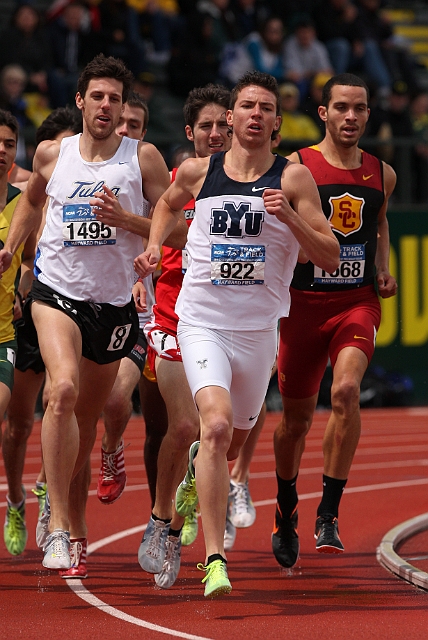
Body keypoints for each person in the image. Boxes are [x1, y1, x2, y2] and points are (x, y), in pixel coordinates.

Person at [135, 70, 339, 597]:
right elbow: (164, 204)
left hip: (258, 333)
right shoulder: (201, 171)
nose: (255, 114)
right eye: (246, 105)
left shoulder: (292, 179)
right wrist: (156, 248)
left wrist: (291, 219)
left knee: (228, 447)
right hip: (202, 322)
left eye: (265, 108)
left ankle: (191, 479)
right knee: (216, 427)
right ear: (231, 117)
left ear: (276, 121)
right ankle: (214, 558)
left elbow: (330, 255)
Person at [0, 53, 173, 571]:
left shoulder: (142, 160)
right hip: (55, 294)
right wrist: (13, 246)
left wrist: (133, 225)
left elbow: (180, 226)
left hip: (114, 305)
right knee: (63, 390)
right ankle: (54, 526)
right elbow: (32, 200)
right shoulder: (54, 154)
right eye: (96, 96)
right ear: (80, 101)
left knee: (83, 420)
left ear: (122, 108)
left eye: (114, 98)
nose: (105, 105)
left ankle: (65, 506)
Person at [272, 73, 397, 570]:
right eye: (341, 107)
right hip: (302, 308)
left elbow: (380, 219)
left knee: (346, 391)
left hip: (355, 302)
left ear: (368, 114)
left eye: (360, 108)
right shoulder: (297, 167)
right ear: (323, 112)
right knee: (296, 421)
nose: (351, 117)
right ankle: (285, 506)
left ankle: (328, 510)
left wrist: (382, 268)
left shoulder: (382, 172)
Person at [137, 83, 232, 591]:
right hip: (174, 316)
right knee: (184, 427)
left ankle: (202, 499)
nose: (216, 134)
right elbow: (157, 227)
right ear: (191, 133)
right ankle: (162, 519)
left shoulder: (250, 182)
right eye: (207, 126)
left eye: (224, 124)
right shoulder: (178, 184)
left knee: (219, 433)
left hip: (230, 322)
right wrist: (144, 268)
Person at [2, 106, 83, 557]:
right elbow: (24, 255)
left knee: (61, 395)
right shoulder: (25, 195)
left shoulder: (91, 187)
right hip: (22, 316)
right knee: (16, 426)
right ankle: (16, 498)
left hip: (59, 309)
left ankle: (49, 492)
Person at [0, 109, 38, 554]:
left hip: (2, 335)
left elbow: (29, 262)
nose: (2, 150)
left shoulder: (23, 201)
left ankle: (14, 499)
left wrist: (20, 288)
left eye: (9, 144)